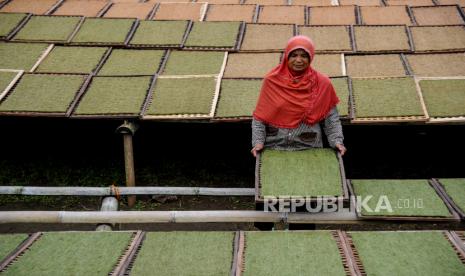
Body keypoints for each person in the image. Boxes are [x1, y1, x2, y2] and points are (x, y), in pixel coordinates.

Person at [251, 35, 347, 157]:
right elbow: (260, 117)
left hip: (309, 146)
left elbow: (331, 119)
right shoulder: (272, 81)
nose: (299, 60)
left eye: (304, 55)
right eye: (294, 55)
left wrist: (337, 142)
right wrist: (258, 142)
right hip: (274, 146)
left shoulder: (322, 83)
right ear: (287, 57)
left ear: (311, 57)